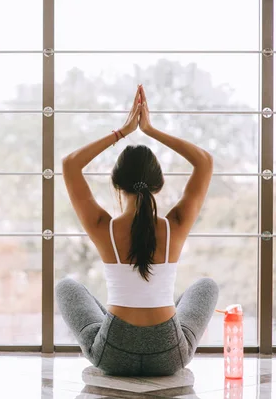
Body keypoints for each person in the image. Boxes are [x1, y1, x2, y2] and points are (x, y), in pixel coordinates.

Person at [56, 84, 219, 376]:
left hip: (114, 355)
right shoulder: (175, 225)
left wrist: (124, 131)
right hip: (170, 355)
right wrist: (151, 129)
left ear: (117, 184)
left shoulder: (102, 227)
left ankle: (116, 319)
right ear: (159, 184)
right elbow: (204, 161)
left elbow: (70, 165)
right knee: (206, 286)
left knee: (67, 287)